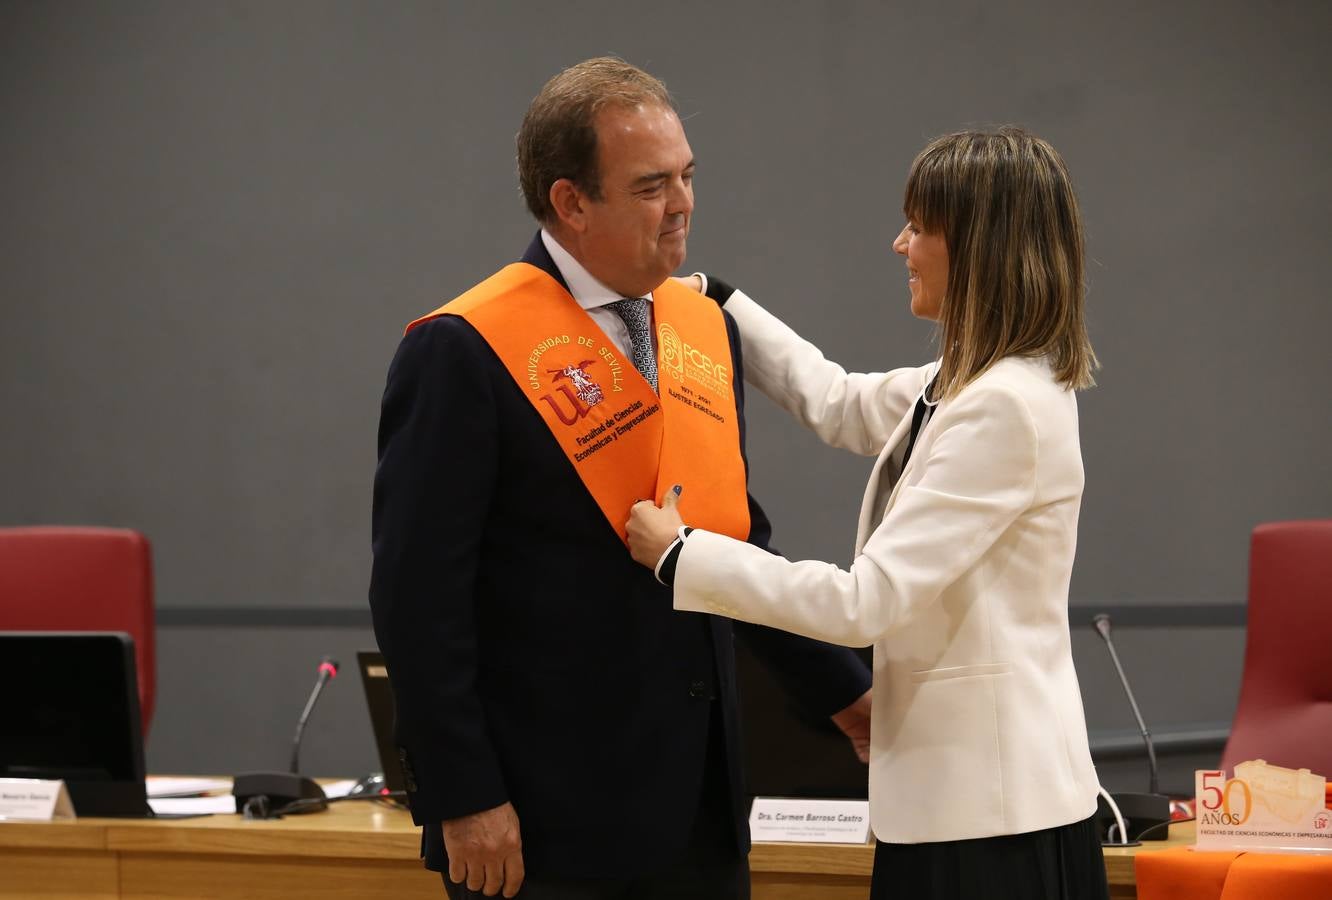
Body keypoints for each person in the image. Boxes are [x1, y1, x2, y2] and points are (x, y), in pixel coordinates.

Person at [368, 57, 871, 900]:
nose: (684, 205)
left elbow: (730, 537)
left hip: (702, 810)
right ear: (571, 202)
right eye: (650, 186)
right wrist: (464, 796)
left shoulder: (703, 326)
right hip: (544, 822)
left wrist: (841, 693)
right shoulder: (462, 348)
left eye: (686, 176)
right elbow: (417, 598)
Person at [627, 127, 1111, 900]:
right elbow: (836, 400)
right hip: (959, 808)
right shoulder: (970, 382)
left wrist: (682, 555)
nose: (899, 245)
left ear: (978, 248)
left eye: (919, 227)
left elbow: (865, 602)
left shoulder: (1004, 408)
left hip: (991, 823)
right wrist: (719, 301)